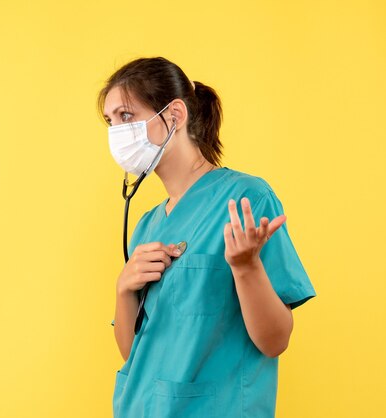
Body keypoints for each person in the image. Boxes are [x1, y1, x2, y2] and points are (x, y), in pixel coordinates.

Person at [98, 57, 317, 418]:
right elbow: (134, 356)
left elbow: (276, 340)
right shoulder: (148, 225)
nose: (117, 132)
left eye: (125, 116)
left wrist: (246, 267)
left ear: (174, 115)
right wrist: (123, 288)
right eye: (110, 121)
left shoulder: (245, 201)